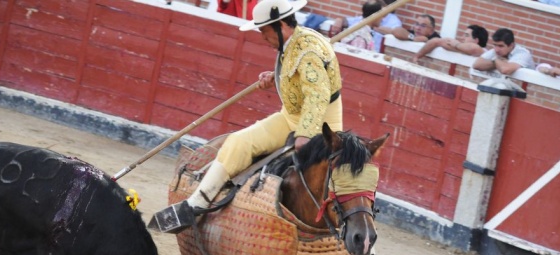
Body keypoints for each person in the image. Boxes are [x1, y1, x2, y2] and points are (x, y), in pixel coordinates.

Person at [156, 0, 343, 233]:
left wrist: (305, 134)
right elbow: (299, 79)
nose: (262, 36)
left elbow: (317, 96)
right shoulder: (293, 42)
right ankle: (195, 204)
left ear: (280, 24)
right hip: (290, 119)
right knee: (239, 142)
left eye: (264, 30)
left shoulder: (309, 50)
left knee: (339, 185)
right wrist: (277, 75)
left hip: (322, 127)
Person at [330, 0, 403, 52]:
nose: (382, 19)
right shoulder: (360, 36)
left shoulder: (361, 28)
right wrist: (339, 20)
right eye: (381, 15)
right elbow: (357, 59)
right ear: (375, 16)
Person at [411, 24, 488, 63]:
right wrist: (417, 56)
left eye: (466, 35)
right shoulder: (461, 48)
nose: (462, 38)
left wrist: (456, 45)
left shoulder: (484, 52)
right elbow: (436, 41)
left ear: (476, 41)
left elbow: (474, 48)